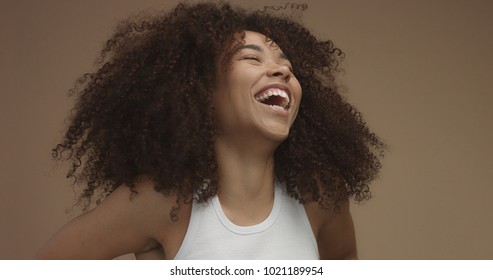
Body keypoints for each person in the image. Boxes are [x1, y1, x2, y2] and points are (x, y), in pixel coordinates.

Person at [36, 2, 384, 260]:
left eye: (286, 66)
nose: (281, 71)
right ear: (202, 91)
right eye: (252, 58)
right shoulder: (162, 202)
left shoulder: (322, 196)